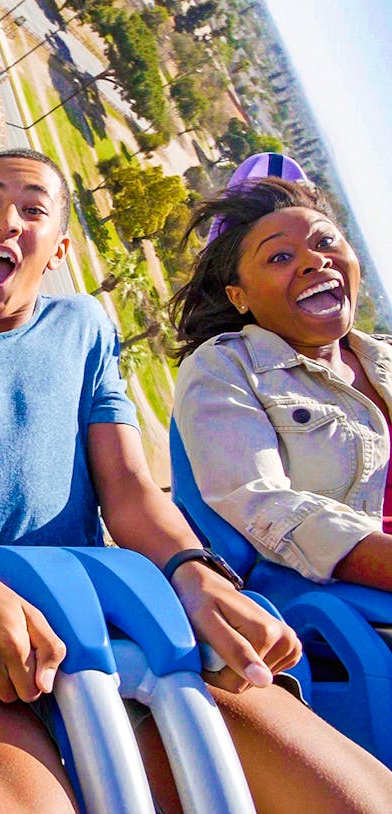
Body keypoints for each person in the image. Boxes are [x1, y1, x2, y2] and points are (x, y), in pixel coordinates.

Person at [0, 149, 392, 813]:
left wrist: (194, 574)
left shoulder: (86, 329)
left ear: (58, 250)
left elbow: (125, 489)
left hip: (95, 622)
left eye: (33, 209)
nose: (8, 220)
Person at [172, 178, 392, 591]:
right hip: (345, 608)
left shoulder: (385, 357)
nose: (314, 261)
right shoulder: (225, 366)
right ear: (240, 297)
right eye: (280, 257)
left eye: (326, 241)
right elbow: (261, 504)